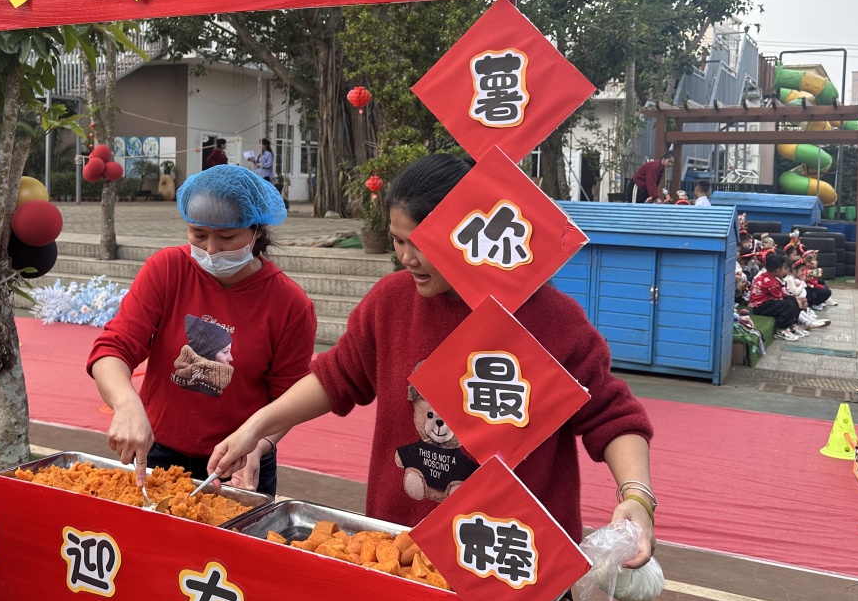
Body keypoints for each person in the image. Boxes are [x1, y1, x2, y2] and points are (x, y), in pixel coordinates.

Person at [208, 154, 657, 568]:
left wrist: (636, 496)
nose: (406, 259)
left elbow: (612, 416)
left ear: (467, 236)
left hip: (511, 559)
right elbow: (337, 376)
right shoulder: (391, 303)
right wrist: (257, 428)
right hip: (401, 549)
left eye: (421, 245)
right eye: (398, 241)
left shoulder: (548, 319)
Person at [88, 164, 316, 495]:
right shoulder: (166, 270)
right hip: (158, 451)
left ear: (256, 232)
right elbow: (113, 348)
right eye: (198, 234)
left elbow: (289, 397)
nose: (210, 249)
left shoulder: (289, 304)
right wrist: (125, 404)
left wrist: (260, 443)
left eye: (226, 237)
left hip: (238, 460)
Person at [748, 253, 806, 341]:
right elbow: (779, 298)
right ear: (778, 271)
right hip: (760, 306)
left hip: (767, 302)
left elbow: (782, 295)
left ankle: (792, 325)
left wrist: (795, 299)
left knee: (791, 299)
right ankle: (781, 330)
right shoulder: (771, 282)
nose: (785, 271)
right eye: (784, 268)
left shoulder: (769, 277)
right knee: (788, 305)